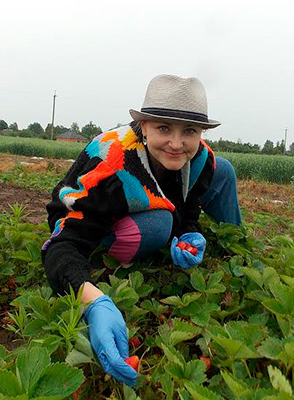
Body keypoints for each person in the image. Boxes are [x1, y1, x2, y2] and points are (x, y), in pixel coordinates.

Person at [41, 74, 242, 386]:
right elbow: (62, 246)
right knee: (157, 224)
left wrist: (189, 233)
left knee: (223, 170)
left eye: (189, 131)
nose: (177, 143)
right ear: (143, 126)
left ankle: (238, 252)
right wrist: (93, 301)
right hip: (83, 211)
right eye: (163, 128)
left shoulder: (199, 156)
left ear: (201, 132)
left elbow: (187, 205)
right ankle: (114, 261)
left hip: (142, 198)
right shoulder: (114, 169)